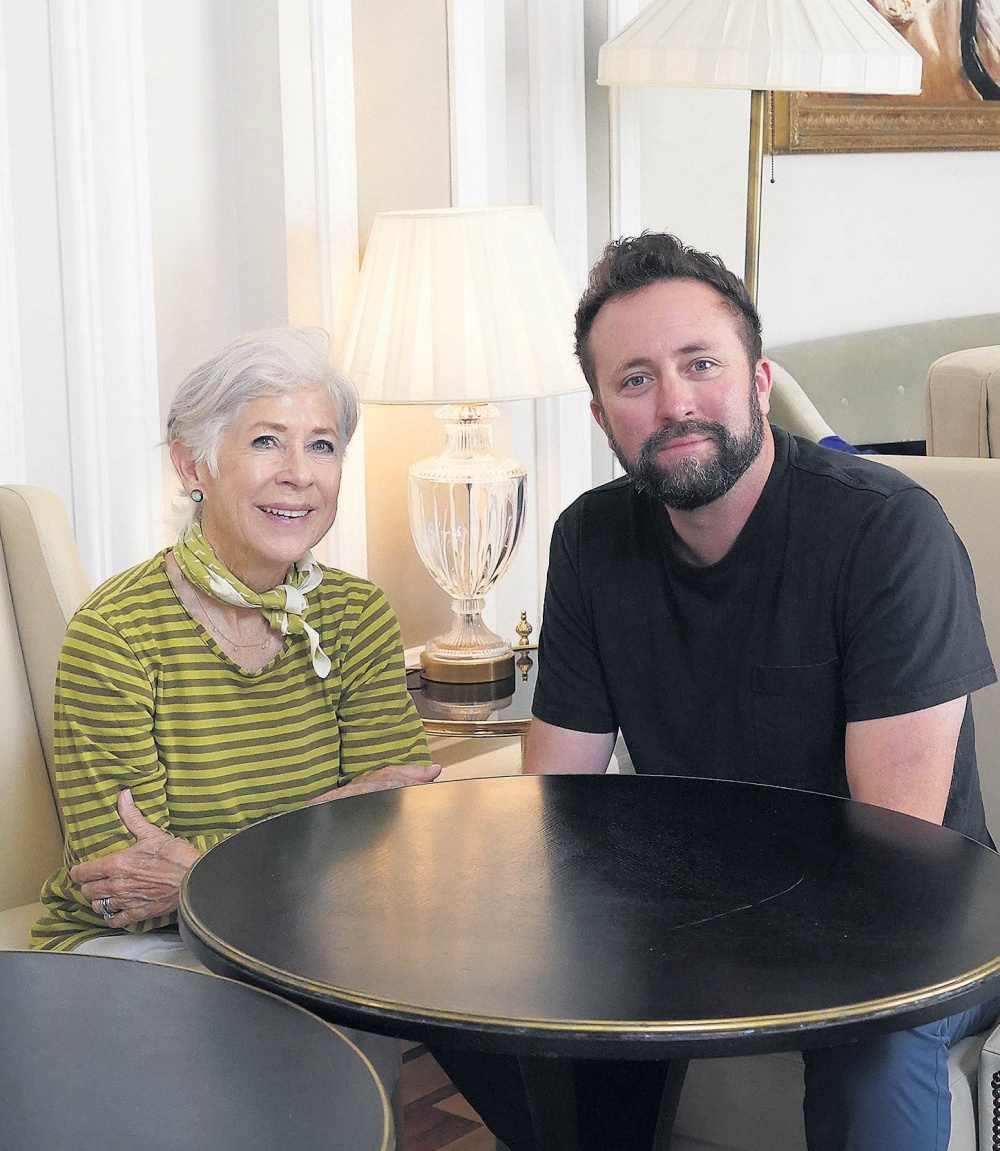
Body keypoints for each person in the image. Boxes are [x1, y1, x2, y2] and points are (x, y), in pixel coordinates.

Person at [438, 233, 1000, 1151]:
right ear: (602, 416)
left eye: (701, 363)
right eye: (636, 380)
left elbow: (895, 861)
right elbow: (553, 806)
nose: (675, 404)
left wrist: (710, 950)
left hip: (914, 923)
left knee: (871, 1040)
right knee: (476, 984)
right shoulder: (589, 541)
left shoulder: (886, 533)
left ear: (760, 380)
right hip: (695, 908)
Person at [30, 327, 438, 1091]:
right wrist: (330, 819)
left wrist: (201, 866)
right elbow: (128, 891)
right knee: (289, 1017)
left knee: (371, 977)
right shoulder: (115, 633)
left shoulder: (357, 615)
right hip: (142, 950)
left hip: (306, 933)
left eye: (322, 446)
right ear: (194, 466)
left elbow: (393, 838)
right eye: (266, 441)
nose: (299, 474)